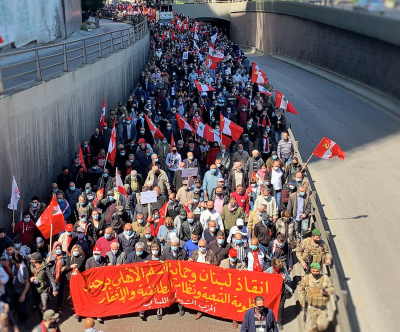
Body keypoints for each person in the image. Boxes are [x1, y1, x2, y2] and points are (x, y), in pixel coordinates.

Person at [298, 262, 334, 332]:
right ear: (311, 270)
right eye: (313, 271)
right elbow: (300, 289)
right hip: (311, 307)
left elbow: (331, 289)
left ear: (320, 271)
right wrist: (302, 301)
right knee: (310, 328)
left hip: (322, 307)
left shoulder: (325, 278)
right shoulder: (306, 278)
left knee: (321, 327)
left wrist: (326, 291)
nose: (315, 273)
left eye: (317, 271)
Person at [189, 238, 218, 320]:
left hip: (207, 278)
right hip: (197, 278)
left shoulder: (211, 253)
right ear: (198, 246)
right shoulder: (195, 253)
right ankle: (199, 310)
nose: (202, 248)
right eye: (200, 246)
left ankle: (207, 309)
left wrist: (211, 264)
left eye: (203, 246)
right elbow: (191, 263)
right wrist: (190, 261)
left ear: (206, 246)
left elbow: (216, 263)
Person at [159, 237, 186, 319]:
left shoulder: (183, 252)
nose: (174, 247)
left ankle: (181, 307)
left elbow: (186, 263)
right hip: (169, 275)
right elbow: (161, 261)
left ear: (178, 245)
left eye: (175, 245)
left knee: (180, 292)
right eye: (172, 245)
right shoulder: (166, 251)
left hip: (179, 275)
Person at [266, 258, 293, 330]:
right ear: (273, 266)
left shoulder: (283, 270)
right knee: (271, 307)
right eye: (276, 267)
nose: (278, 269)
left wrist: (285, 279)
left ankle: (279, 322)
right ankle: (270, 321)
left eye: (279, 268)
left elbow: (289, 279)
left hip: (282, 292)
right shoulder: (269, 270)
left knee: (280, 307)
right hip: (272, 293)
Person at [46, 242, 68, 314]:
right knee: (51, 292)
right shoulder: (50, 255)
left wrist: (65, 267)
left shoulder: (64, 255)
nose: (58, 250)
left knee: (60, 293)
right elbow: (45, 266)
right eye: (56, 249)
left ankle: (59, 307)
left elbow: (67, 263)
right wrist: (47, 261)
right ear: (54, 248)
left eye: (59, 249)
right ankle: (49, 307)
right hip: (51, 277)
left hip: (61, 277)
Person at [10, 252, 29, 324]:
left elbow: (28, 283)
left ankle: (24, 320)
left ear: (14, 261)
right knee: (18, 306)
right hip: (16, 291)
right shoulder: (14, 267)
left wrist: (23, 294)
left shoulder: (23, 269)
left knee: (22, 307)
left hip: (21, 292)